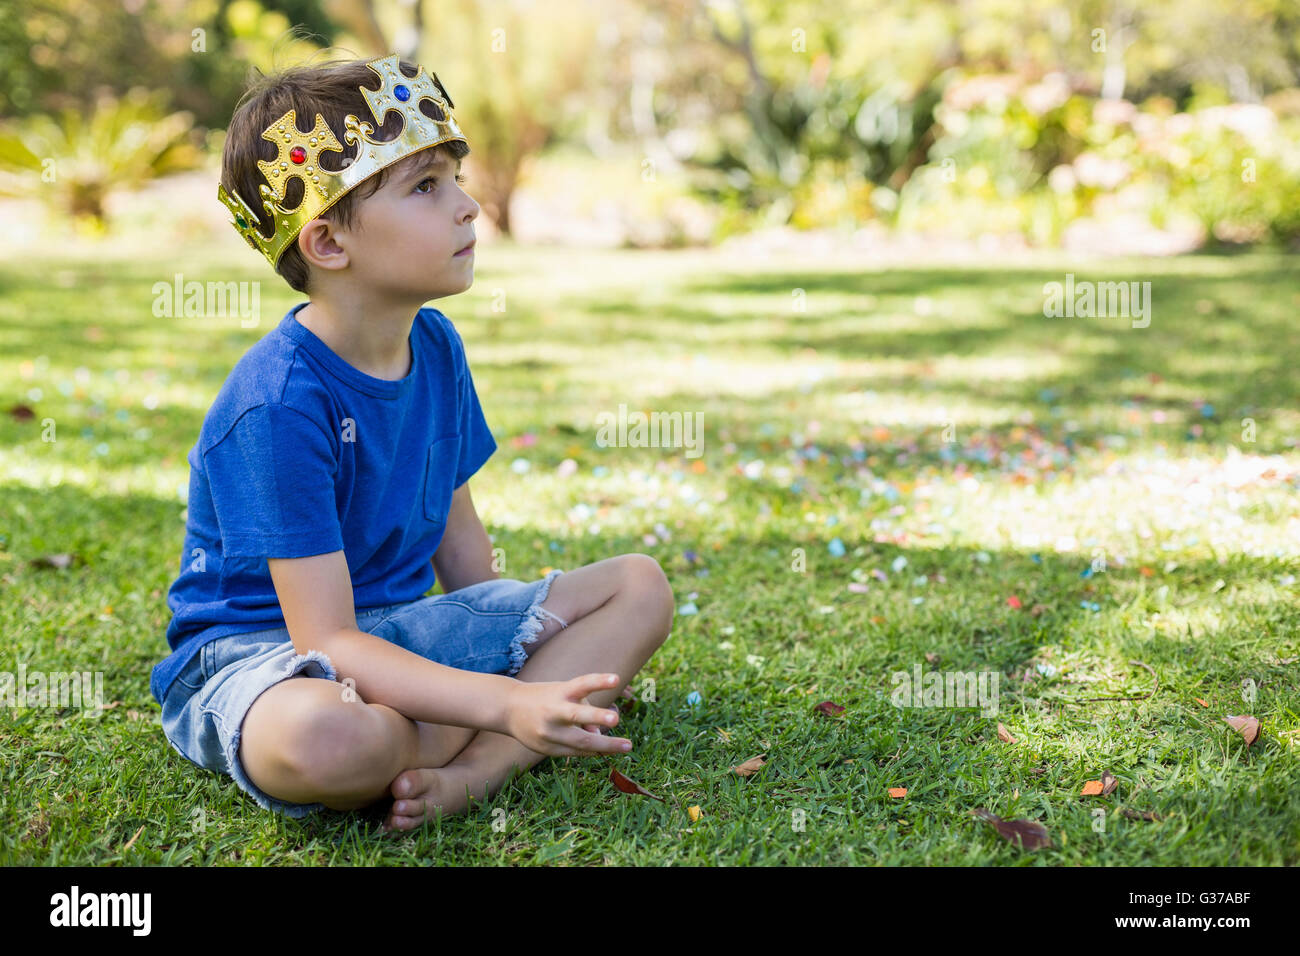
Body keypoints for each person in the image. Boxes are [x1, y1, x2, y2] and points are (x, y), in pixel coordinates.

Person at [149, 53, 674, 832]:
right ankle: (472, 726)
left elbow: (460, 548)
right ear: (328, 244)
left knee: (639, 586)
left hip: (402, 633)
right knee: (329, 739)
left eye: (454, 179)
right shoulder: (277, 403)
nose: (467, 208)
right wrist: (508, 692)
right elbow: (324, 638)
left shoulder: (436, 345)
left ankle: (476, 769)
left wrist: (512, 639)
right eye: (426, 187)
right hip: (265, 658)